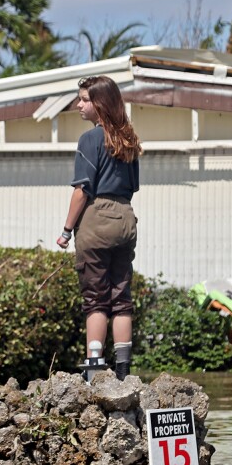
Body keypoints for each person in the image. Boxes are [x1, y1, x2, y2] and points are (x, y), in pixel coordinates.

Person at [55, 75, 143, 380]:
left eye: (84, 99)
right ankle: (123, 369)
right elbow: (132, 187)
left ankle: (94, 367)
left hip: (97, 218)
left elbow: (82, 190)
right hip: (125, 216)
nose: (78, 105)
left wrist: (66, 231)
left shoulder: (90, 139)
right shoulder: (129, 138)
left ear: (100, 103)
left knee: (95, 297)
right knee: (121, 297)